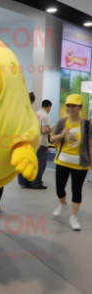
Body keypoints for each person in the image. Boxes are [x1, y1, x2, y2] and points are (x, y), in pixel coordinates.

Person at [50, 94, 92, 230]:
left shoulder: (87, 124)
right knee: (59, 189)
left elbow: (90, 146)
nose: (70, 108)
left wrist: (91, 162)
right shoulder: (62, 122)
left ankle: (73, 217)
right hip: (62, 161)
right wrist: (62, 134)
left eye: (74, 106)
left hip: (80, 164)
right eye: (68, 105)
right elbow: (52, 139)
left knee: (77, 190)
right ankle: (63, 204)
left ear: (80, 107)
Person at [30, 100, 54, 189]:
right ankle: (37, 183)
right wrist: (52, 128)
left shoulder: (35, 113)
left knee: (35, 163)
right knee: (41, 163)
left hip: (34, 141)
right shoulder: (45, 116)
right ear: (49, 107)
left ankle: (34, 180)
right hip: (41, 143)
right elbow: (45, 130)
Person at [18, 92, 36, 188]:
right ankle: (25, 181)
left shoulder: (20, 110)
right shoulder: (29, 111)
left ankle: (22, 182)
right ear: (32, 101)